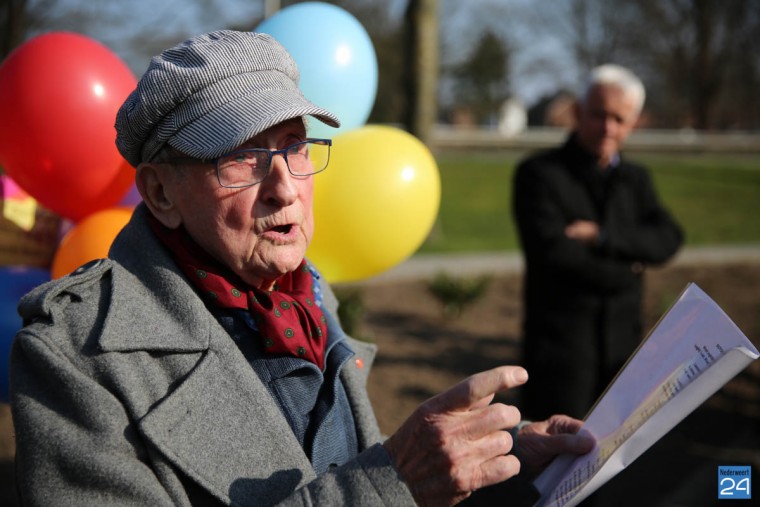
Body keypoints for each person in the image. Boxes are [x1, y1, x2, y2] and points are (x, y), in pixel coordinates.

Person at [10, 30, 593, 506]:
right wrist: (389, 485)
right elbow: (361, 485)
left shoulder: (304, 294)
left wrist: (499, 450)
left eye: (293, 145)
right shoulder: (73, 356)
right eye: (242, 155)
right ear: (159, 192)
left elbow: (320, 464)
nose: (285, 188)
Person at [512, 64, 684, 421]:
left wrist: (601, 237)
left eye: (620, 119)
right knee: (552, 465)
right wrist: (631, 266)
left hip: (623, 352)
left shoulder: (636, 179)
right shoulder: (539, 174)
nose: (608, 128)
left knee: (616, 463)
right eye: (598, 115)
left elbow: (669, 238)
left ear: (634, 123)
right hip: (560, 355)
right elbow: (554, 254)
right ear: (578, 112)